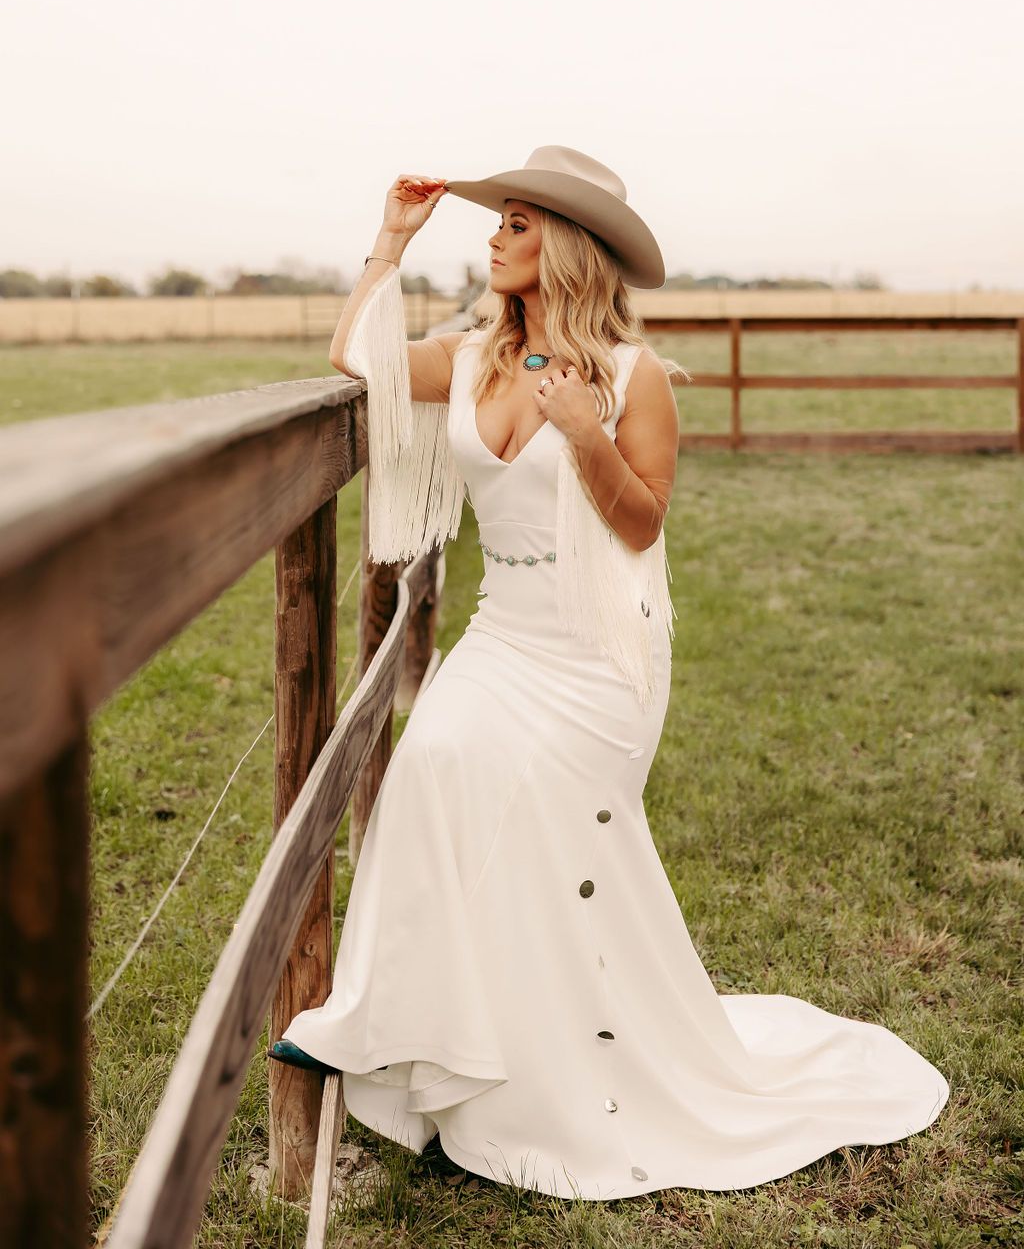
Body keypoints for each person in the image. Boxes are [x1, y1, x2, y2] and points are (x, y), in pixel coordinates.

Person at [270, 146, 950, 1201]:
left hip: (600, 648)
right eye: (497, 223)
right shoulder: (472, 356)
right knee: (436, 765)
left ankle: (542, 1077)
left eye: (517, 223)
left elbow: (640, 521)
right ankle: (410, 1035)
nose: (494, 235)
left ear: (567, 248)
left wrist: (584, 433)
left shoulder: (633, 380)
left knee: (541, 842)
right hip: (506, 629)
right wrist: (393, 239)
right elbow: (357, 357)